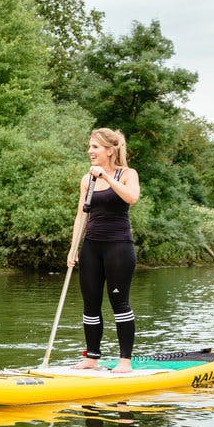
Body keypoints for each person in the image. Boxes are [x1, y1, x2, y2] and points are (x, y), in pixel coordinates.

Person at [67, 128, 140, 372]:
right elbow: (81, 216)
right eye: (89, 147)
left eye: (95, 147)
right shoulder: (87, 179)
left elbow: (131, 197)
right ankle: (92, 358)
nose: (90, 151)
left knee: (119, 303)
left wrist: (108, 179)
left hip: (119, 246)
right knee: (90, 304)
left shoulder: (128, 174)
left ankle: (124, 362)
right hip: (92, 247)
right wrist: (73, 247)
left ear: (110, 151)